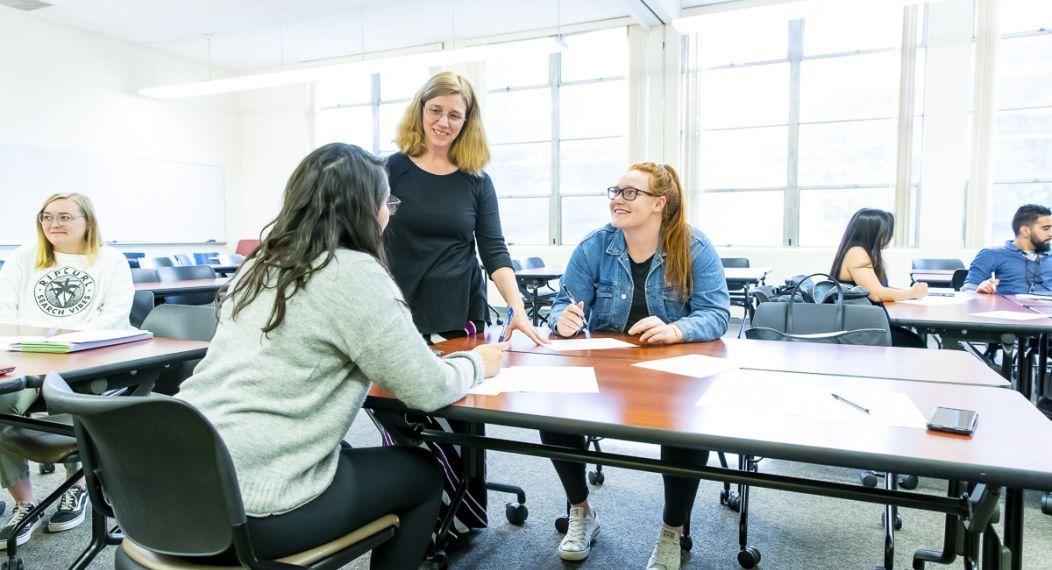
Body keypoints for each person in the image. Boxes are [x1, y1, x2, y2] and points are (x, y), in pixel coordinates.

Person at [177, 143, 508, 569]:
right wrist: (479, 362)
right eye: (387, 201)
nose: (389, 213)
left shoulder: (261, 262)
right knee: (423, 473)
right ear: (366, 208)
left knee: (349, 450)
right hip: (254, 507)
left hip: (174, 489)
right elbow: (426, 389)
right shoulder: (353, 271)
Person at [544, 162, 730, 570]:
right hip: (609, 372)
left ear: (659, 203)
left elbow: (717, 314)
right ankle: (581, 512)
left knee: (685, 428)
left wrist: (677, 329)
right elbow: (562, 304)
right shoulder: (595, 246)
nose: (618, 199)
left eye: (630, 193)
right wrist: (564, 319)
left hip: (675, 372)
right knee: (554, 414)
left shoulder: (694, 247)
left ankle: (672, 531)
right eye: (616, 190)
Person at [0, 193, 134, 547]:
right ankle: (25, 502)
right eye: (46, 217)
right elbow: (4, 309)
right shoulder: (25, 256)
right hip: (27, 355)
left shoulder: (110, 260)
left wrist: (72, 341)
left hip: (83, 359)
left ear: (87, 221)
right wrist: (24, 343)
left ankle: (75, 489)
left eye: (63, 217)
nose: (52, 225)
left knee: (72, 400)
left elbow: (115, 314)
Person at [385, 70, 545, 345]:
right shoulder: (388, 172)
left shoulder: (477, 181)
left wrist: (516, 307)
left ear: (466, 121)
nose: (443, 122)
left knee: (468, 388)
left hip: (460, 315)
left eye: (454, 115)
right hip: (396, 311)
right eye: (435, 110)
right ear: (420, 109)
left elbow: (494, 251)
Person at [829, 208, 928, 302]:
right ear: (873, 233)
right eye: (887, 233)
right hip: (856, 316)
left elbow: (880, 287)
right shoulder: (857, 253)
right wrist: (913, 293)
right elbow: (876, 294)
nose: (890, 237)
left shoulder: (861, 251)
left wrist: (909, 291)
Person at [964, 204, 1052, 295]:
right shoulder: (991, 255)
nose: (1051, 233)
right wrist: (980, 290)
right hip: (1010, 308)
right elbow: (968, 290)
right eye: (1046, 229)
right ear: (1025, 231)